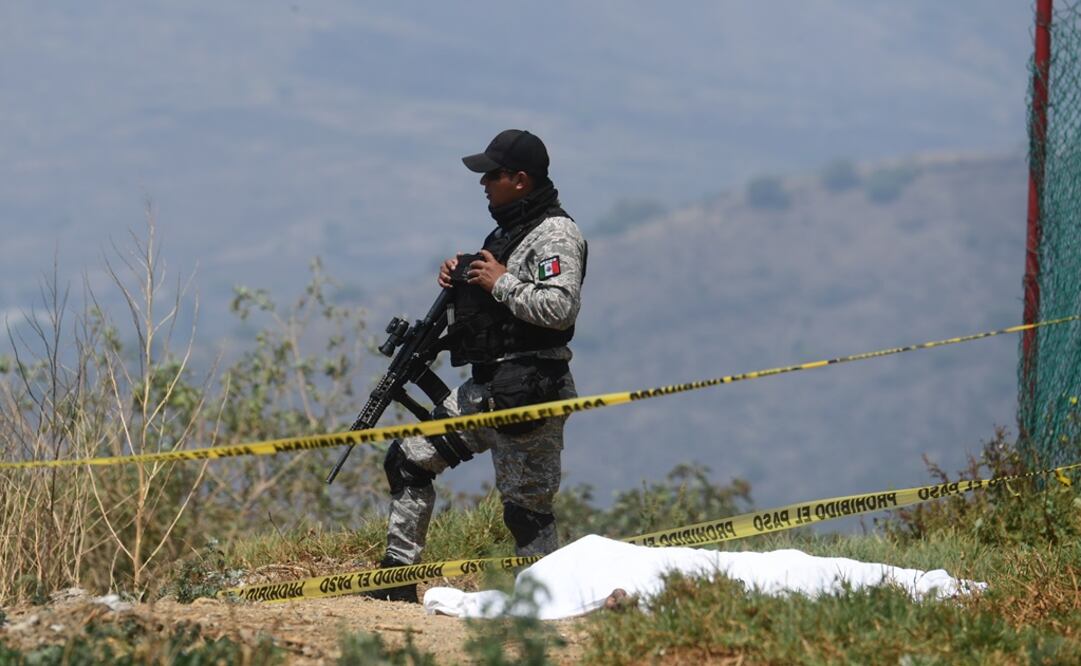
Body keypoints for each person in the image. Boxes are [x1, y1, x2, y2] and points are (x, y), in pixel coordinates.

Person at [372, 129, 587, 603]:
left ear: (521, 180)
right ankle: (395, 582)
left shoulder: (557, 234)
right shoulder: (508, 230)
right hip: (483, 389)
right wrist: (464, 278)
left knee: (525, 511)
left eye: (493, 174)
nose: (484, 183)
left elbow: (559, 309)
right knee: (407, 461)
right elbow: (491, 300)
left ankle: (547, 602)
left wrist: (501, 282)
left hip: (531, 395)